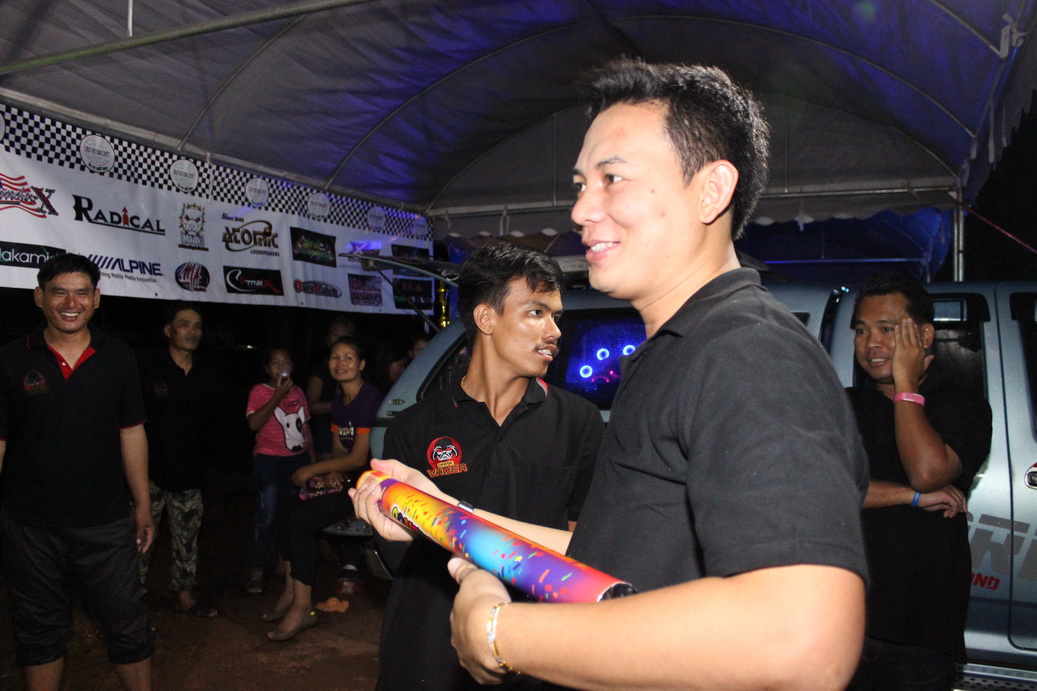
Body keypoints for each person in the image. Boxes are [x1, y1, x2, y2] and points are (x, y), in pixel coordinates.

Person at [353, 59, 869, 689]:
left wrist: (502, 635)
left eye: (611, 178)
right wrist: (444, 513)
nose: (580, 209)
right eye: (580, 184)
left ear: (711, 190)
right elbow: (609, 559)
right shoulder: (677, 353)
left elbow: (805, 640)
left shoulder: (749, 351)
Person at [358, 241, 604, 690]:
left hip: (534, 643)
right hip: (430, 640)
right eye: (536, 313)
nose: (554, 331)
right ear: (486, 319)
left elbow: (584, 543)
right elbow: (401, 553)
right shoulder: (415, 426)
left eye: (556, 317)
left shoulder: (579, 423)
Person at [0, 253, 155, 690]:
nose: (71, 303)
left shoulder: (118, 357)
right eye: (60, 292)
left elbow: (132, 432)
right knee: (38, 630)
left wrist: (143, 505)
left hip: (105, 523)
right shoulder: (10, 359)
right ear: (39, 297)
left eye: (82, 293)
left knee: (125, 624)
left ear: (97, 298)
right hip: (30, 527)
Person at [846, 273, 992, 690]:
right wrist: (908, 497)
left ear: (925, 336)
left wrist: (906, 386)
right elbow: (822, 490)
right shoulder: (843, 404)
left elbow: (927, 472)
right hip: (845, 621)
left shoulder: (963, 405)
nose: (871, 344)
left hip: (921, 631)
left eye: (887, 329)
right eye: (862, 331)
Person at [265, 336, 384, 641]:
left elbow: (359, 458)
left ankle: (303, 607)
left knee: (302, 521)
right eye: (335, 357)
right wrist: (331, 471)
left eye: (348, 357)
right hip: (349, 481)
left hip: (371, 486)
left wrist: (313, 470)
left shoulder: (369, 399)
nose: (340, 363)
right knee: (287, 509)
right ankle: (292, 591)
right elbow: (339, 451)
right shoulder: (340, 402)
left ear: (361, 364)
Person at [137, 301, 219, 618]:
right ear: (168, 330)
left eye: (197, 326)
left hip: (189, 473)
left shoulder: (206, 372)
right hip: (149, 473)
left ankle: (184, 595)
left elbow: (211, 424)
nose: (192, 331)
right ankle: (129, 596)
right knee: (140, 538)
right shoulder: (148, 368)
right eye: (184, 324)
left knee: (187, 539)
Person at [245, 346, 314, 595]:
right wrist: (278, 396)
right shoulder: (259, 391)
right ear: (267, 368)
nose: (281, 367)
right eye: (275, 363)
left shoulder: (298, 392)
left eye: (286, 362)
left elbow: (306, 429)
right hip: (269, 461)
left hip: (297, 461)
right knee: (266, 516)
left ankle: (284, 566)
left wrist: (313, 462)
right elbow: (253, 424)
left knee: (290, 516)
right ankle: (256, 570)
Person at [306, 316, 357, 459]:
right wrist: (340, 403)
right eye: (335, 334)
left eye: (345, 335)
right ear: (327, 339)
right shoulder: (320, 369)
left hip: (352, 428)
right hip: (325, 430)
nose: (340, 339)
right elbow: (310, 407)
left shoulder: (358, 368)